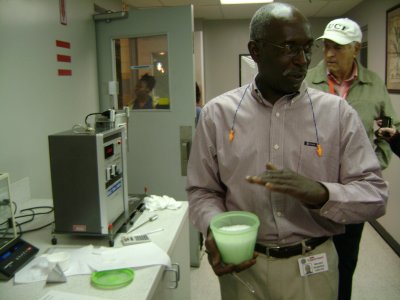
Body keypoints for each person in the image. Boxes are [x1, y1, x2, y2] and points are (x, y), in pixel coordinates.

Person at [186, 3, 388, 300]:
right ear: (255, 51)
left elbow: (375, 195)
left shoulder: (338, 114)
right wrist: (215, 228)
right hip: (243, 266)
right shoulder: (218, 114)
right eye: (290, 48)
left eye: (308, 49)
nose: (304, 61)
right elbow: (202, 190)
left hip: (314, 267)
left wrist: (321, 193)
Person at [305, 18, 399, 300]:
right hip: (315, 188)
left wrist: (377, 161)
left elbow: (390, 126)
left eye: (339, 47)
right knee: (311, 261)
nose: (330, 54)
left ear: (356, 49)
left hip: (354, 191)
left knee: (346, 261)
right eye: (327, 46)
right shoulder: (308, 80)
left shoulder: (373, 85)